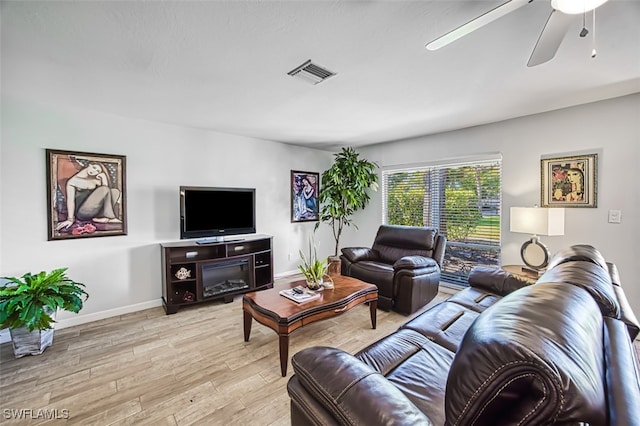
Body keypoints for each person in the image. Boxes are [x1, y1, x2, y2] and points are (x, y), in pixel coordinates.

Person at [55, 162, 122, 231]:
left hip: (94, 210)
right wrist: (70, 219)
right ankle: (110, 217)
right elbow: (70, 200)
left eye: (97, 171)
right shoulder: (72, 181)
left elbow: (107, 194)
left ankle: (100, 218)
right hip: (82, 212)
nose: (94, 171)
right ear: (90, 165)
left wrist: (103, 177)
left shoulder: (96, 180)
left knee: (115, 192)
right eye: (94, 168)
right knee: (104, 189)